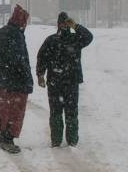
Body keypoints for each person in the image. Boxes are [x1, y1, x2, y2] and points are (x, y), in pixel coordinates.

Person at [36, 12, 93, 147]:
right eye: (63, 23)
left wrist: (77, 26)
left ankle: (70, 140)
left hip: (62, 82)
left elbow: (89, 37)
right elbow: (42, 58)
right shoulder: (54, 40)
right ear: (58, 24)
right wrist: (40, 75)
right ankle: (59, 140)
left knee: (67, 112)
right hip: (62, 82)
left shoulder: (74, 38)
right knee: (60, 113)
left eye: (66, 23)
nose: (64, 25)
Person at [0, 4, 33, 154]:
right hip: (14, 82)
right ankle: (7, 139)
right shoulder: (16, 35)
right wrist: (26, 77)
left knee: (2, 110)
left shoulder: (2, 32)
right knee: (14, 111)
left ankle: (3, 137)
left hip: (0, 79)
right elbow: (18, 60)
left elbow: (0, 56)